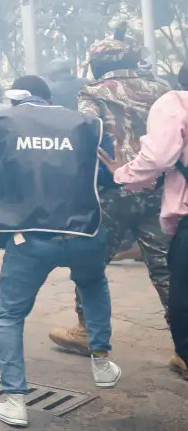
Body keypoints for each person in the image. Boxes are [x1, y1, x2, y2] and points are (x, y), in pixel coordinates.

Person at [0, 75, 122, 428]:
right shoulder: (88, 125)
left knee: (9, 315)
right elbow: (105, 177)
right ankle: (102, 364)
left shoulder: (1, 126)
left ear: (19, 100)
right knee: (92, 285)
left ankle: (15, 400)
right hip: (84, 232)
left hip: (31, 239)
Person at [48, 27, 174, 368]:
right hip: (160, 187)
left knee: (91, 261)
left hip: (112, 189)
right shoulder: (162, 89)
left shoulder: (94, 93)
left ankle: (87, 329)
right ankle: (184, 346)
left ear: (98, 64)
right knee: (167, 267)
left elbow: (87, 137)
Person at [101, 62, 188, 379]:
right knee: (168, 275)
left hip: (142, 196)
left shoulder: (175, 100)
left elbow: (159, 157)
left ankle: (89, 330)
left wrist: (120, 174)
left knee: (182, 301)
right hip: (160, 202)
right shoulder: (157, 89)